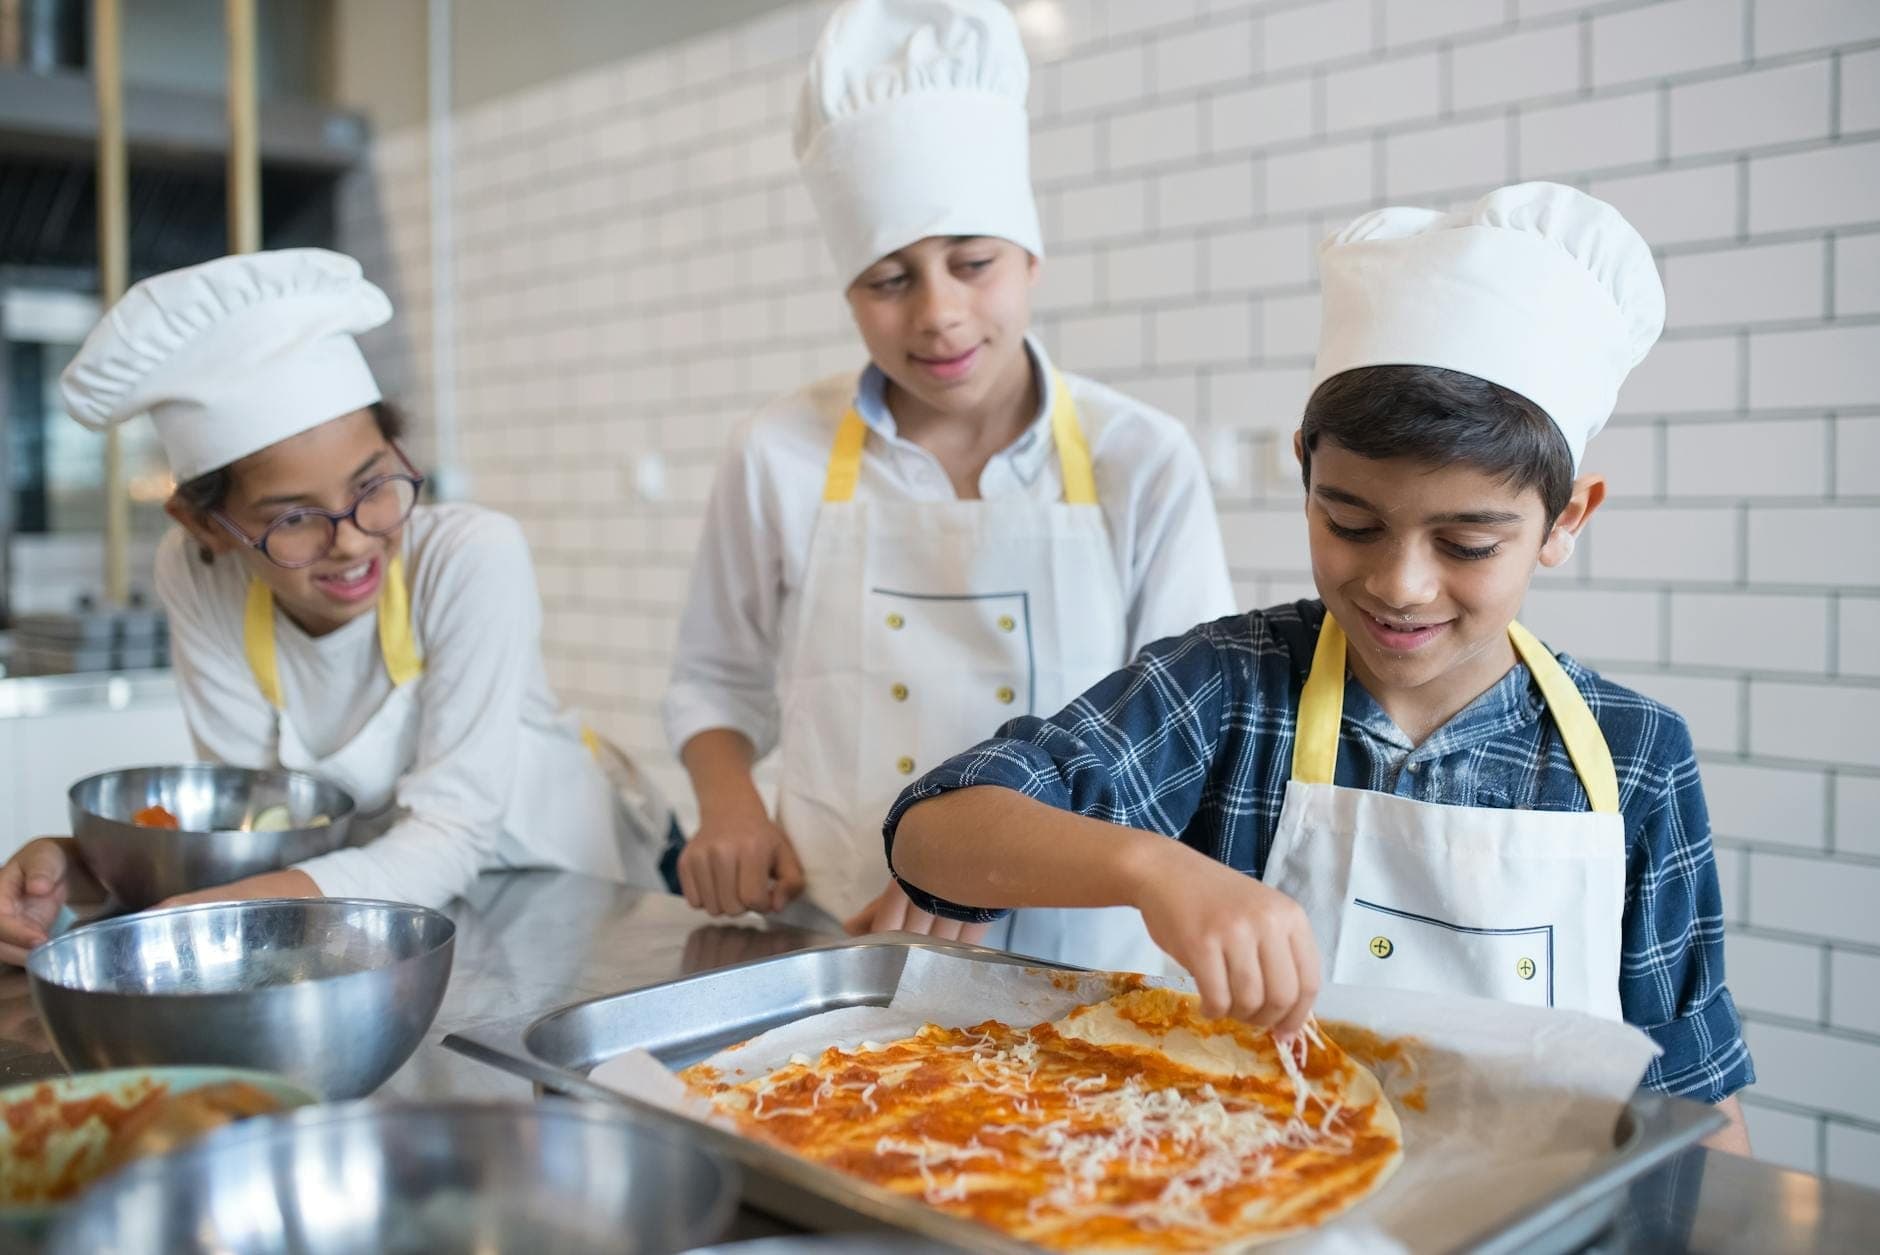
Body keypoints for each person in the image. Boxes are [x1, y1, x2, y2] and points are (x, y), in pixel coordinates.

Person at [885, 183, 1754, 1150]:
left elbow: (1695, 1096)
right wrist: (1153, 867)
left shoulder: (1635, 759)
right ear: (1305, 470)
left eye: (1467, 543)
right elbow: (930, 834)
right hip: (1244, 1191)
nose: (1401, 585)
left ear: (1566, 520)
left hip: (1543, 1207)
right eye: (1351, 522)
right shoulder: (1233, 689)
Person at [663, 0, 1234, 969]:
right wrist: (729, 807)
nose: (938, 314)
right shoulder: (776, 454)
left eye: (972, 264)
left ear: (1030, 260)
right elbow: (712, 679)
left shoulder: (1140, 458)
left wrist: (973, 859)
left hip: (1080, 966)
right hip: (839, 945)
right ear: (849, 292)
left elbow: (1187, 736)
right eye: (889, 280)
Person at [0, 249, 671, 965]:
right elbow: (261, 825)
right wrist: (88, 870)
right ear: (203, 527)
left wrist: (223, 909)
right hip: (390, 918)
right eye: (294, 518)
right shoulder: (197, 573)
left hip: (575, 897)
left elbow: (451, 833)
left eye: (373, 485)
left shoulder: (471, 555)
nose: (351, 541)